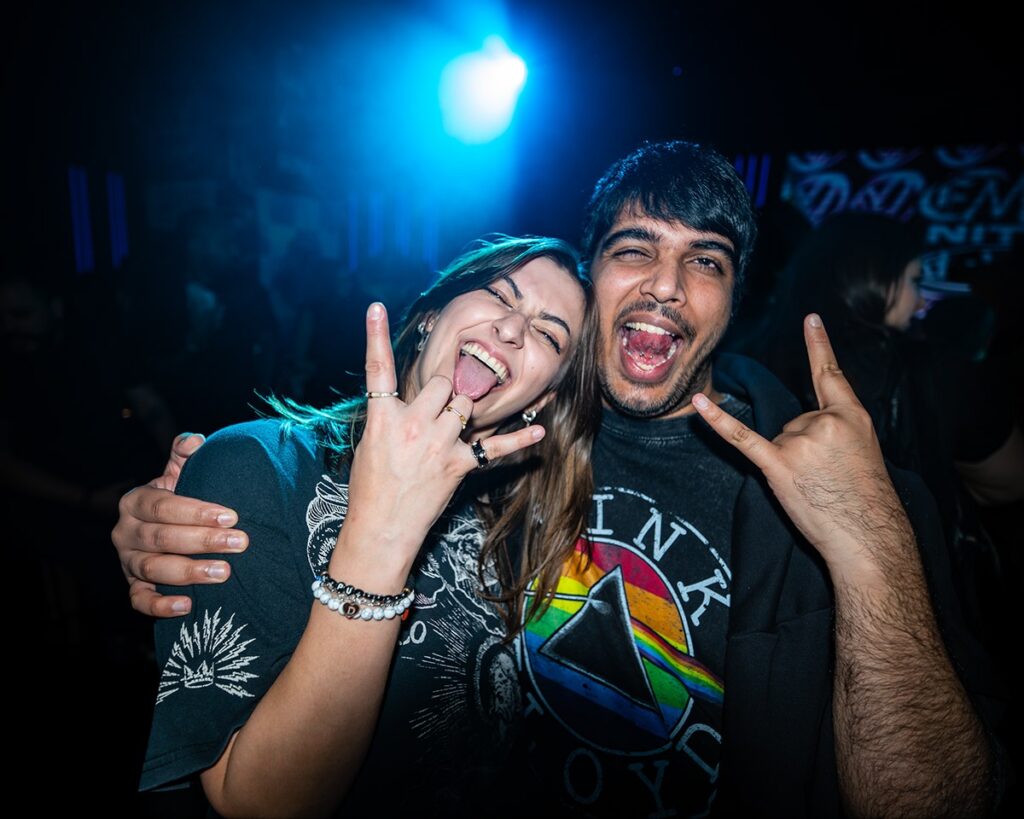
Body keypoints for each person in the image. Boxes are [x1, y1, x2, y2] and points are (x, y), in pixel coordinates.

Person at [115, 143, 1003, 817]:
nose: (666, 285)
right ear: (596, 279)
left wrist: (869, 541)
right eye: (635, 249)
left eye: (706, 260)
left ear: (735, 303)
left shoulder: (831, 482)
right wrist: (194, 497)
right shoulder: (517, 451)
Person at [133, 235, 599, 817]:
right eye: (499, 295)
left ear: (544, 400)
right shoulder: (260, 467)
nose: (511, 329)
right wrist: (384, 533)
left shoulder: (517, 526)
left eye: (549, 334)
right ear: (430, 316)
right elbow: (257, 803)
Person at [751, 212, 1024, 641]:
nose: (921, 301)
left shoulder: (747, 358)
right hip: (917, 616)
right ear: (872, 280)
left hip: (778, 613)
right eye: (914, 280)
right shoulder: (936, 371)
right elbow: (1009, 481)